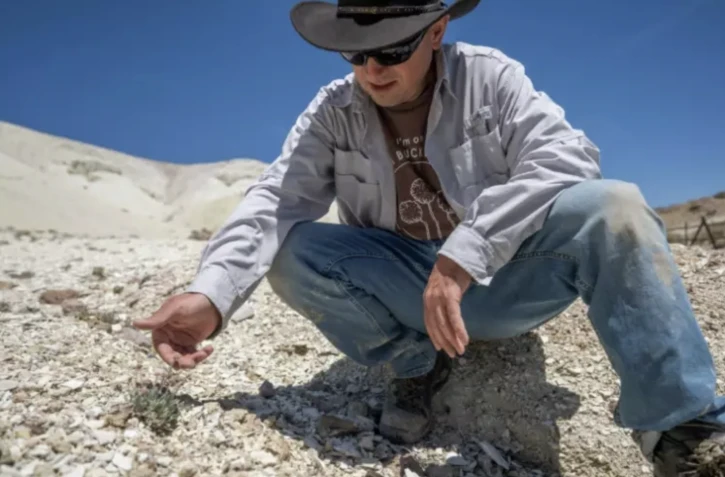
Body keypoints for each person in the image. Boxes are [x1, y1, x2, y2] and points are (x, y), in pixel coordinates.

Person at [131, 1, 725, 475]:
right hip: (405, 287)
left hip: (502, 278)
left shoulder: (489, 76)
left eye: (391, 49)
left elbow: (568, 157)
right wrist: (210, 294)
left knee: (614, 206)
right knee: (290, 251)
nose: (372, 71)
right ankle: (415, 364)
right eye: (355, 53)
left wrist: (464, 254)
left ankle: (682, 429)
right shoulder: (332, 111)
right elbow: (277, 199)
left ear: (436, 31)